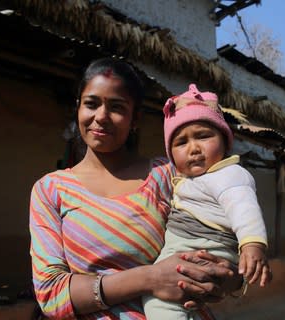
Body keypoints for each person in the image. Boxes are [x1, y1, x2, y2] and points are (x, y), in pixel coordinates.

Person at [29, 58, 240, 319]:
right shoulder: (51, 190)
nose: (101, 117)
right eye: (91, 104)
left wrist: (229, 280)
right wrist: (150, 278)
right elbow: (52, 295)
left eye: (117, 107)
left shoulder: (168, 176)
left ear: (135, 118)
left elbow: (227, 231)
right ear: (78, 108)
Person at [143, 84, 272, 320]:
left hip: (202, 248)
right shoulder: (189, 179)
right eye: (181, 143)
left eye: (203, 136)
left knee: (161, 304)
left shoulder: (229, 174)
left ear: (224, 142)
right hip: (189, 249)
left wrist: (252, 244)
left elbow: (244, 209)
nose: (193, 148)